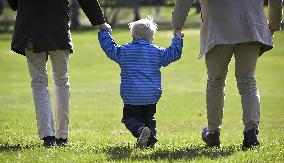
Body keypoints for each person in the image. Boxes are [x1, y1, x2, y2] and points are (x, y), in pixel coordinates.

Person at [172, 0, 283, 149]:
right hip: (252, 26)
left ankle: (213, 133)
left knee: (216, 81)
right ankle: (251, 133)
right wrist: (274, 25)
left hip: (218, 26)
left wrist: (177, 25)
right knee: (248, 81)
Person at [7, 0, 112, 147]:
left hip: (30, 25)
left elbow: (14, 4)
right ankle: (62, 137)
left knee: (39, 83)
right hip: (58, 27)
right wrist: (100, 23)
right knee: (61, 81)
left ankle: (48, 137)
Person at [98, 17, 183, 148]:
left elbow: (110, 48)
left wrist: (104, 32)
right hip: (151, 96)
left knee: (130, 119)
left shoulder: (124, 51)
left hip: (132, 96)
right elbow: (173, 53)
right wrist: (177, 38)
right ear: (152, 38)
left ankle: (140, 130)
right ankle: (149, 142)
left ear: (133, 36)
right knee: (149, 119)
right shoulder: (157, 52)